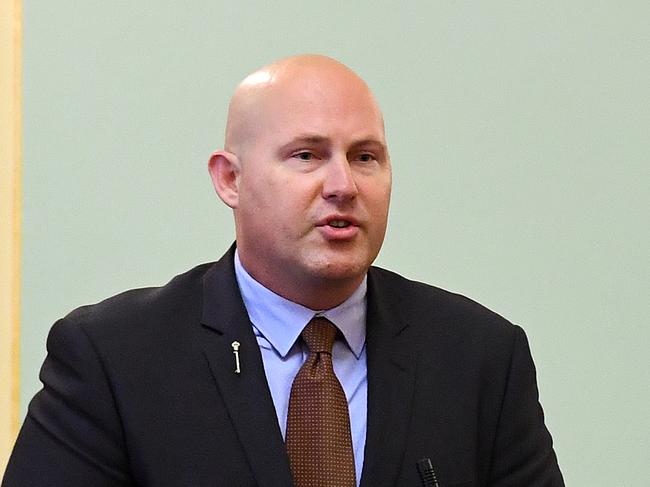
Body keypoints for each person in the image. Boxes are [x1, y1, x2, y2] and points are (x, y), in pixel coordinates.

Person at [2, 55, 564, 486]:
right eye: (307, 155)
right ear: (230, 180)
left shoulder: (480, 357)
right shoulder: (114, 357)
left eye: (366, 156)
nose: (343, 185)